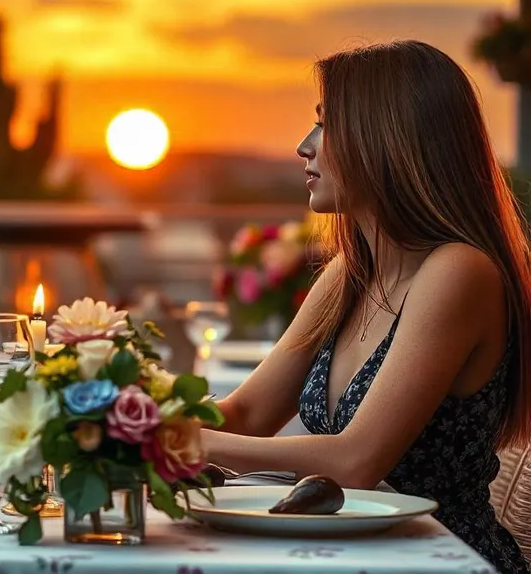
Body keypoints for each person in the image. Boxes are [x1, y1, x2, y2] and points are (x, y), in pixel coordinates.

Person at [204, 40, 530, 572]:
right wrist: (136, 413)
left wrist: (194, 443)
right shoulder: (348, 275)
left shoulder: (458, 272)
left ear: (385, 139)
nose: (303, 146)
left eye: (325, 124)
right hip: (348, 556)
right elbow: (248, 414)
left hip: (438, 559)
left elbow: (355, 460)